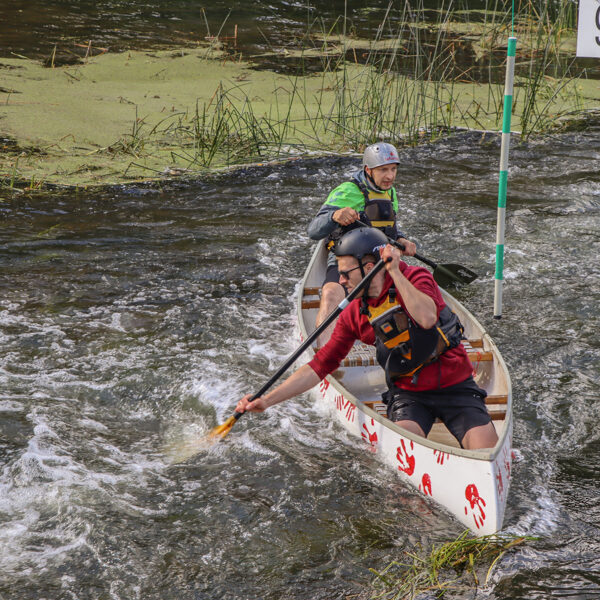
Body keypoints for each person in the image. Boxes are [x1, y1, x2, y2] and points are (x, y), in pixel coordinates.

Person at [236, 227, 498, 450]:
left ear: (369, 267)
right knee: (403, 444)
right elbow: (320, 365)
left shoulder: (416, 278)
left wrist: (395, 273)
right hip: (409, 394)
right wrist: (267, 401)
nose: (341, 280)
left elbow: (427, 318)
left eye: (345, 273)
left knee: (485, 448)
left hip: (457, 385)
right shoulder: (353, 313)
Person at [307, 142, 417, 345]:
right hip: (347, 261)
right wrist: (334, 215)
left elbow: (388, 228)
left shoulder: (391, 193)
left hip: (380, 262)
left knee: (414, 289)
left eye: (393, 169)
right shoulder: (348, 191)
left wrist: (402, 240)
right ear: (368, 170)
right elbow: (313, 231)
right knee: (330, 294)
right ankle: (325, 352)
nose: (390, 176)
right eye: (383, 170)